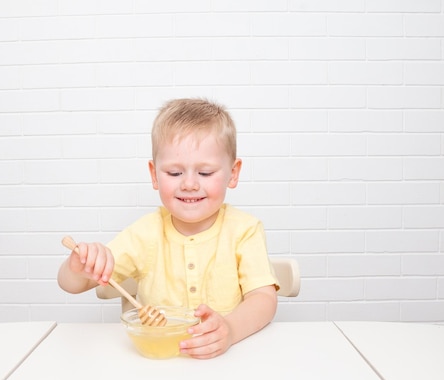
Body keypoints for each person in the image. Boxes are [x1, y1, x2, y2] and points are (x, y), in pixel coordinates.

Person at [57, 98, 279, 359]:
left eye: (205, 173)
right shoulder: (145, 233)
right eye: (174, 173)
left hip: (228, 362)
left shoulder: (244, 230)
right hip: (158, 364)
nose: (189, 184)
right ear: (154, 175)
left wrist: (229, 330)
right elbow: (71, 285)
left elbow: (264, 300)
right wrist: (77, 267)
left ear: (233, 173)